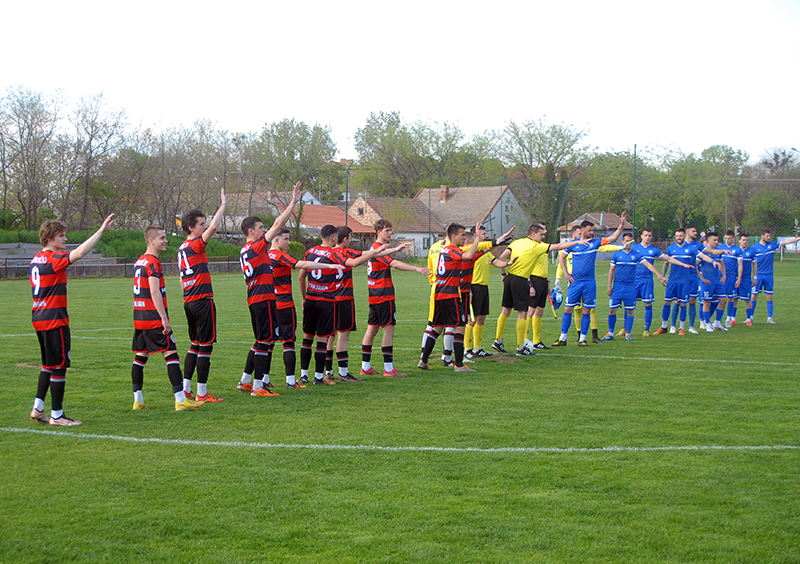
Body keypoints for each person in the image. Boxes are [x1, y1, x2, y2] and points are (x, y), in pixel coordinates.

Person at [28, 214, 115, 426]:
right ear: (49, 238)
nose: (65, 239)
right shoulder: (53, 259)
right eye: (61, 235)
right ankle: (57, 415)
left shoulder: (35, 259)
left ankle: (38, 408)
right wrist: (100, 231)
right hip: (54, 318)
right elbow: (79, 253)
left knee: (48, 364)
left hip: (39, 317)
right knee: (59, 366)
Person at [131, 226, 203, 411]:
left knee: (141, 356)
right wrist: (164, 318)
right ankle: (180, 399)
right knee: (171, 354)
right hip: (153, 317)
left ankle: (137, 400)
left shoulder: (139, 261)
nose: (166, 241)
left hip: (139, 317)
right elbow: (154, 291)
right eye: (162, 238)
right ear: (151, 241)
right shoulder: (153, 263)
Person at [328, 225, 407, 381]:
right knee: (343, 336)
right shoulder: (344, 252)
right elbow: (356, 261)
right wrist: (417, 269)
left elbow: (367, 254)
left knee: (331, 336)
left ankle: (328, 371)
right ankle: (345, 373)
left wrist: (393, 249)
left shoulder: (321, 252)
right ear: (345, 239)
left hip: (328, 298)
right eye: (350, 238)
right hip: (347, 298)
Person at [492, 222, 581, 355]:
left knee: (506, 310)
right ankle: (520, 347)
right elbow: (559, 246)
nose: (543, 237)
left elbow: (502, 257)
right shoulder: (536, 246)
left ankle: (498, 340)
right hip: (521, 280)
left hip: (510, 278)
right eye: (541, 234)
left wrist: (504, 273)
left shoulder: (517, 242)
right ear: (533, 234)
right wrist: (578, 241)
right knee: (522, 313)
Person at [360, 219, 429, 377]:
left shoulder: (374, 249)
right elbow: (394, 263)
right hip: (384, 295)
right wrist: (417, 268)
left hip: (374, 295)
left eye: (391, 230)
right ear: (378, 232)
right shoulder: (377, 249)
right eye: (387, 230)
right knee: (388, 331)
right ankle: (389, 369)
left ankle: (365, 367)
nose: (390, 233)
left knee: (372, 329)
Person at [177, 188, 227, 403]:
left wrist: (189, 293)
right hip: (201, 299)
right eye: (201, 224)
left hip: (189, 299)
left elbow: (181, 278)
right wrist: (223, 204)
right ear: (191, 228)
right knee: (206, 345)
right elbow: (215, 227)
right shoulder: (195, 245)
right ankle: (202, 393)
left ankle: (187, 389)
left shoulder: (181, 248)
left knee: (195, 344)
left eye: (204, 223)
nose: (205, 226)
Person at [552, 212, 628, 347]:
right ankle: (562, 338)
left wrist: (621, 225)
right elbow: (561, 257)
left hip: (589, 284)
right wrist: (566, 274)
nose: (592, 232)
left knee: (587, 310)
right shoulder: (573, 244)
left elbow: (613, 237)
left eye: (593, 230)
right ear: (582, 231)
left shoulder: (595, 243)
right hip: (575, 283)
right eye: (590, 230)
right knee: (568, 309)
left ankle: (582, 339)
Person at [419, 223, 484, 371]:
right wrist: (477, 240)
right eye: (462, 235)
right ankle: (459, 365)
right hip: (451, 294)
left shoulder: (445, 250)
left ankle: (423, 360)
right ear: (453, 236)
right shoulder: (453, 250)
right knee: (460, 327)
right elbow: (467, 256)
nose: (464, 237)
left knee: (437, 327)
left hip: (440, 294)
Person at [624, 228, 692, 337]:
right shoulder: (634, 248)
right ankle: (624, 328)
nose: (647, 237)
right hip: (634, 281)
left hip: (647, 281)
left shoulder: (654, 250)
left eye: (649, 235)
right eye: (645, 235)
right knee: (629, 305)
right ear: (641, 236)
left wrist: (682, 264)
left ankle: (647, 329)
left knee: (648, 304)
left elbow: (668, 259)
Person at [601, 240, 666, 341]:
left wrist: (658, 274)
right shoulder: (617, 254)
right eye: (626, 241)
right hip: (617, 287)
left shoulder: (636, 255)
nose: (628, 243)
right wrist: (609, 286)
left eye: (630, 242)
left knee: (630, 310)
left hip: (630, 288)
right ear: (623, 241)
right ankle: (610, 333)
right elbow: (611, 270)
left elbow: (648, 265)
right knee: (612, 310)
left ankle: (628, 334)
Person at [653, 228, 710, 336]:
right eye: (677, 236)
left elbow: (702, 255)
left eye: (680, 236)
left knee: (683, 303)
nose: (679, 238)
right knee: (667, 302)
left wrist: (712, 261)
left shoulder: (691, 248)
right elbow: (666, 262)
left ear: (684, 236)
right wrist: (663, 276)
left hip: (685, 281)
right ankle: (664, 326)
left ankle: (681, 328)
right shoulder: (671, 248)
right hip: (673, 280)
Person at [749, 228, 800, 324]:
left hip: (769, 276)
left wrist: (797, 239)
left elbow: (785, 242)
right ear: (762, 236)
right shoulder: (755, 247)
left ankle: (769, 318)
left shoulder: (772, 245)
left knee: (769, 296)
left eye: (769, 236)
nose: (769, 237)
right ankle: (750, 317)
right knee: (753, 296)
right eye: (767, 236)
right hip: (758, 275)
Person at [697, 232, 727, 331]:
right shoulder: (702, 253)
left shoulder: (718, 252)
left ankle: (717, 323)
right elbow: (694, 266)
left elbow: (722, 264)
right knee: (706, 302)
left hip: (717, 282)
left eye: (717, 240)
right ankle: (707, 324)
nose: (716, 242)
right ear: (708, 240)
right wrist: (702, 278)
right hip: (707, 282)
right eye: (714, 240)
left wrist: (724, 275)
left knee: (723, 300)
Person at [719, 230, 743, 328]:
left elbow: (740, 265)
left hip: (731, 277)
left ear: (733, 238)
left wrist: (739, 278)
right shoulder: (720, 248)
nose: (727, 240)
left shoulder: (737, 250)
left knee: (731, 298)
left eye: (729, 238)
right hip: (721, 277)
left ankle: (728, 319)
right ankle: (718, 319)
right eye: (726, 238)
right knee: (720, 298)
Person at [737, 234, 756, 325]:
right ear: (739, 241)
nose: (745, 241)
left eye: (746, 240)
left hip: (746, 279)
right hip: (736, 279)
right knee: (733, 299)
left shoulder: (751, 252)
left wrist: (755, 277)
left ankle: (749, 319)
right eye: (743, 240)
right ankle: (732, 319)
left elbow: (755, 265)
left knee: (747, 299)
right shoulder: (736, 251)